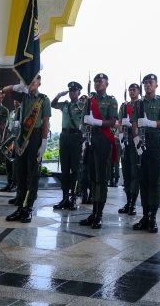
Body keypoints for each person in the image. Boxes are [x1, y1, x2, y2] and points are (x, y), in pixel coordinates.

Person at [1, 75, 51, 223]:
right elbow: (4, 90)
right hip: (21, 136)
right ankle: (20, 207)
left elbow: (45, 121)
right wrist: (18, 86)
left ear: (39, 83)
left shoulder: (43, 99)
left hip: (35, 136)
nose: (31, 84)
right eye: (29, 81)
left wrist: (44, 142)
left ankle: (28, 207)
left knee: (32, 173)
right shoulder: (23, 96)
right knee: (20, 172)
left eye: (33, 81)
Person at [128, 74, 160, 233]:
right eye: (145, 83)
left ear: (156, 85)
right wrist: (136, 139)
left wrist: (150, 123)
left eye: (151, 82)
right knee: (143, 180)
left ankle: (153, 217)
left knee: (154, 181)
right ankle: (145, 216)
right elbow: (134, 123)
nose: (148, 85)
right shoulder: (138, 103)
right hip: (142, 142)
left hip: (155, 142)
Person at [80, 73, 118, 228]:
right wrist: (85, 129)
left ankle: (99, 214)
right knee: (93, 177)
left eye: (100, 81)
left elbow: (112, 121)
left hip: (103, 139)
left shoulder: (111, 100)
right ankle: (93, 212)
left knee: (101, 178)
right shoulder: (90, 100)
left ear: (106, 84)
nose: (97, 84)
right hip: (91, 139)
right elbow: (83, 119)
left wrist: (96, 121)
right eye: (96, 82)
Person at [51, 82, 84, 210]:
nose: (72, 93)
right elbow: (53, 104)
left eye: (74, 91)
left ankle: (73, 198)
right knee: (64, 168)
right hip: (64, 136)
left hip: (76, 137)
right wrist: (58, 95)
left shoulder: (83, 105)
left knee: (75, 168)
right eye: (70, 91)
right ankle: (65, 197)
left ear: (79, 92)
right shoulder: (65, 104)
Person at [118, 82, 142, 216]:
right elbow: (120, 122)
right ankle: (128, 201)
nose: (132, 92)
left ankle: (133, 203)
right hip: (125, 139)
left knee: (134, 172)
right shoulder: (124, 106)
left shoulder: (141, 104)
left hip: (135, 138)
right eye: (130, 90)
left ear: (139, 91)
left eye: (134, 90)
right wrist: (121, 134)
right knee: (126, 171)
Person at [0, 99, 21, 192]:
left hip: (16, 137)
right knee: (8, 159)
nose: (16, 101)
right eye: (14, 100)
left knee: (15, 161)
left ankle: (15, 183)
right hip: (9, 136)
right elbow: (6, 126)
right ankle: (9, 182)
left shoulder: (23, 112)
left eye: (18, 100)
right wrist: (3, 138)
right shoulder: (12, 112)